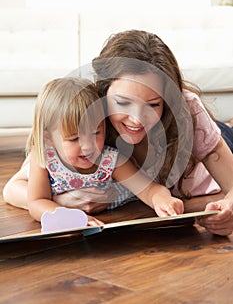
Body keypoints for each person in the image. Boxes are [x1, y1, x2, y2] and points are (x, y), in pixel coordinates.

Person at [3, 30, 233, 235]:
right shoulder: (87, 119)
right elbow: (13, 190)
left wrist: (228, 210)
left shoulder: (186, 110)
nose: (136, 119)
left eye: (153, 104)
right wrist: (63, 206)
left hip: (215, 148)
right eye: (123, 102)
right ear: (103, 95)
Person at [17, 76, 184, 226]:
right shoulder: (45, 159)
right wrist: (69, 217)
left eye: (96, 133)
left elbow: (148, 189)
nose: (88, 146)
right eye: (74, 139)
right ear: (49, 139)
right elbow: (37, 202)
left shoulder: (111, 160)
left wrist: (163, 200)